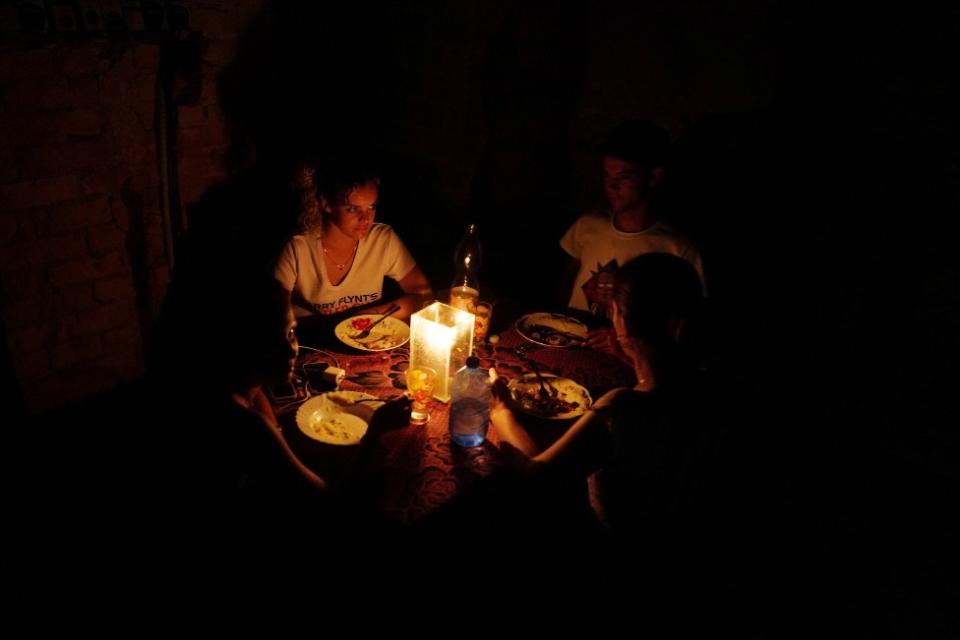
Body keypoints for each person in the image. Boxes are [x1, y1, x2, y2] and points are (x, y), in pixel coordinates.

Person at [491, 253, 716, 554]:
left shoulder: (623, 409)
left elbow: (536, 478)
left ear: (619, 320)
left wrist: (501, 412)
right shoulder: (712, 391)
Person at [559, 120, 705, 353]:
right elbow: (568, 277)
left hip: (629, 359)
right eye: (607, 176)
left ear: (654, 177)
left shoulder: (677, 249)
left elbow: (688, 323)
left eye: (625, 177)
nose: (612, 186)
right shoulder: (589, 225)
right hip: (574, 341)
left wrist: (622, 337)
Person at [274, 158, 433, 332]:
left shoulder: (382, 240)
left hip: (362, 342)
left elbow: (423, 295)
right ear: (326, 203)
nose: (366, 219)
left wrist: (366, 317)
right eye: (352, 209)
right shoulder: (297, 248)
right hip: (310, 345)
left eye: (371, 206)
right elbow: (270, 315)